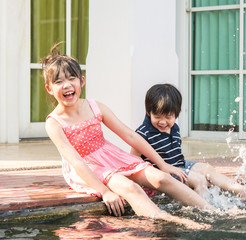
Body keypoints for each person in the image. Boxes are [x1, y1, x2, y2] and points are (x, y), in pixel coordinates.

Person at [42, 42, 214, 228]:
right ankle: (175, 220)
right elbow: (76, 162)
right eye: (59, 82)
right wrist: (104, 191)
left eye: (71, 78)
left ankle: (212, 211)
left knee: (161, 178)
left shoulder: (94, 106)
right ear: (49, 89)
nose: (67, 85)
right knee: (131, 188)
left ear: (81, 81)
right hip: (88, 167)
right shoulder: (54, 123)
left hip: (111, 155)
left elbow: (129, 136)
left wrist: (163, 165)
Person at [131, 84, 246, 201]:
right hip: (163, 173)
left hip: (178, 165)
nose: (163, 122)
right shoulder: (143, 133)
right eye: (157, 117)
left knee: (207, 169)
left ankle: (240, 190)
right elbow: (133, 159)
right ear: (149, 112)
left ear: (176, 114)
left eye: (168, 117)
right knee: (199, 180)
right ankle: (202, 209)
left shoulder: (174, 128)